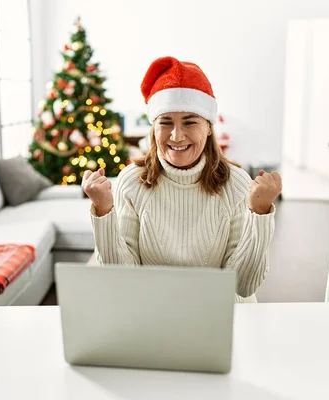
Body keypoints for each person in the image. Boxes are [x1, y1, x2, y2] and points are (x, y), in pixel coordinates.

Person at [81, 56, 282, 302]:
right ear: (153, 128)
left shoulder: (237, 183)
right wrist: (103, 210)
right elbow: (122, 278)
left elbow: (243, 284)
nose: (176, 136)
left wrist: (259, 213)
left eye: (190, 122)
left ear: (208, 127)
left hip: (222, 314)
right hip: (155, 314)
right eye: (166, 123)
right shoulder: (130, 181)